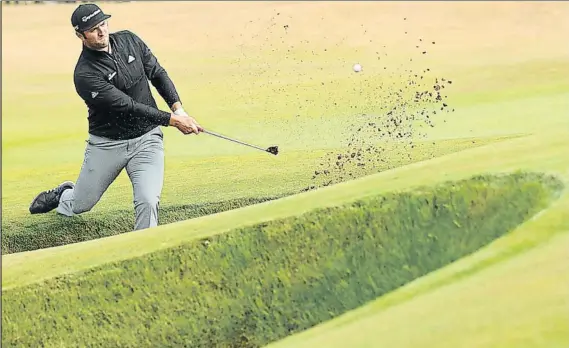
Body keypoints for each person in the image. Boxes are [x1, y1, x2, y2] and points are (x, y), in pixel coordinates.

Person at [28, 3, 203, 231]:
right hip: (107, 145)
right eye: (93, 29)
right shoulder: (85, 74)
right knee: (81, 205)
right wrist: (172, 120)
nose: (102, 31)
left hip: (147, 140)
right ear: (80, 35)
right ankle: (66, 194)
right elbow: (127, 106)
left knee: (148, 200)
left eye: (103, 24)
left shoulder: (129, 40)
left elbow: (157, 73)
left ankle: (144, 253)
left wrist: (179, 110)